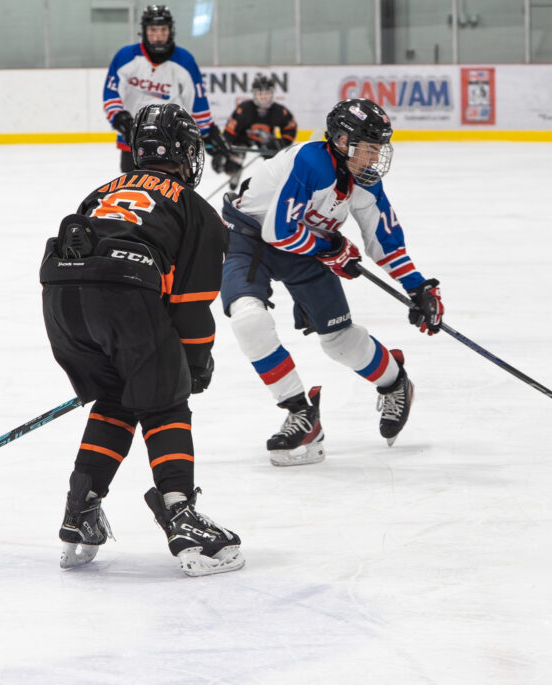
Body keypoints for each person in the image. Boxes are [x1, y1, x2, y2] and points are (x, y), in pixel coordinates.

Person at [40, 103, 243, 577]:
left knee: (115, 399)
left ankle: (81, 512)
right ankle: (180, 514)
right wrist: (192, 363)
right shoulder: (196, 211)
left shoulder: (101, 190)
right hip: (124, 296)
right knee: (165, 402)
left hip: (60, 301)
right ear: (182, 152)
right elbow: (191, 306)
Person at [219, 98, 444, 467]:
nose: (374, 158)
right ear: (341, 141)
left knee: (339, 341)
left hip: (304, 246)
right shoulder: (312, 162)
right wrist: (332, 247)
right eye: (368, 149)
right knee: (248, 318)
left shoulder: (364, 182)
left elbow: (383, 242)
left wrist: (419, 287)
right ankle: (300, 413)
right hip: (249, 239)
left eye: (378, 149)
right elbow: (278, 232)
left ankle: (394, 381)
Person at [102, 5, 230, 174]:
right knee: (137, 193)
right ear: (144, 31)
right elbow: (111, 94)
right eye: (153, 30)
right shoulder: (125, 56)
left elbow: (197, 102)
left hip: (173, 142)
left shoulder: (184, 61)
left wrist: (207, 133)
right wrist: (121, 119)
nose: (159, 36)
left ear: (171, 31)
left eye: (163, 30)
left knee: (172, 195)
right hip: (133, 141)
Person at [214, 75, 298, 191]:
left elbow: (291, 127)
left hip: (266, 141)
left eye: (267, 93)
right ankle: (235, 171)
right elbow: (230, 130)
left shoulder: (278, 111)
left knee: (275, 165)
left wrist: (281, 143)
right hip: (243, 139)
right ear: (254, 94)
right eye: (260, 93)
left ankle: (271, 184)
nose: (264, 96)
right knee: (231, 165)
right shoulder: (244, 109)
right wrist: (221, 150)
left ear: (272, 93)